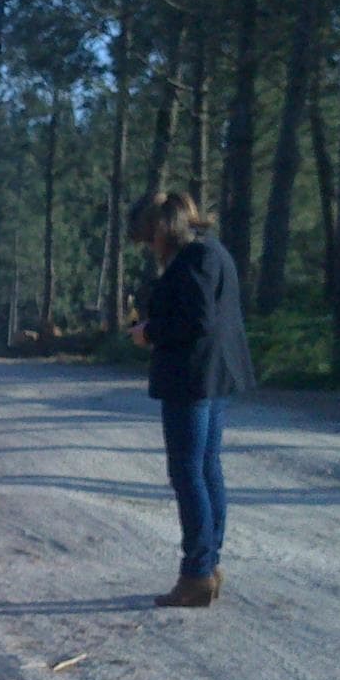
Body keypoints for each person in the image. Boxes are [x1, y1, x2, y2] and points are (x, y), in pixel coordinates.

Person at [126, 192, 256, 608]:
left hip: (193, 379)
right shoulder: (212, 251)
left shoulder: (197, 260)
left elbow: (196, 321)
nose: (150, 249)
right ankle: (208, 564)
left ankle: (197, 573)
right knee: (205, 469)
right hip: (212, 377)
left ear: (163, 229)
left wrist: (150, 332)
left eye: (149, 241)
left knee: (188, 474)